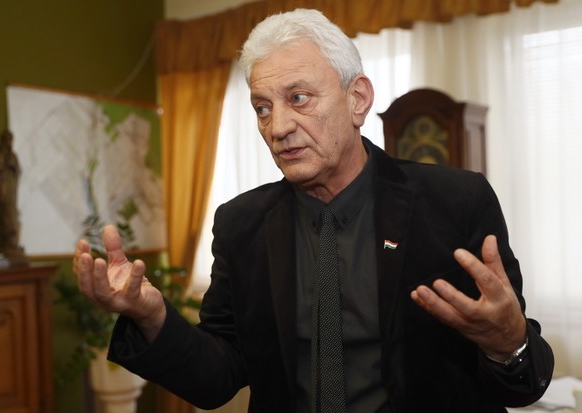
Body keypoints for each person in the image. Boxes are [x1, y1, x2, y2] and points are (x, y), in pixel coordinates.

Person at [73, 8, 554, 413]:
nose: (278, 126)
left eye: (298, 98)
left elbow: (524, 385)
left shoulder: (455, 201)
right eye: (262, 107)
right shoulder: (241, 224)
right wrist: (152, 316)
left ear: (357, 99)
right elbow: (216, 378)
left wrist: (508, 343)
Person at [0, 129, 23, 254]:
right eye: (7, 140)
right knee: (4, 214)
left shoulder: (13, 155)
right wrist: (4, 165)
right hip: (3, 187)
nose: (9, 143)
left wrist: (13, 167)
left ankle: (13, 242)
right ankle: (6, 242)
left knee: (13, 214)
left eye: (10, 140)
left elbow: (18, 170)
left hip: (12, 188)